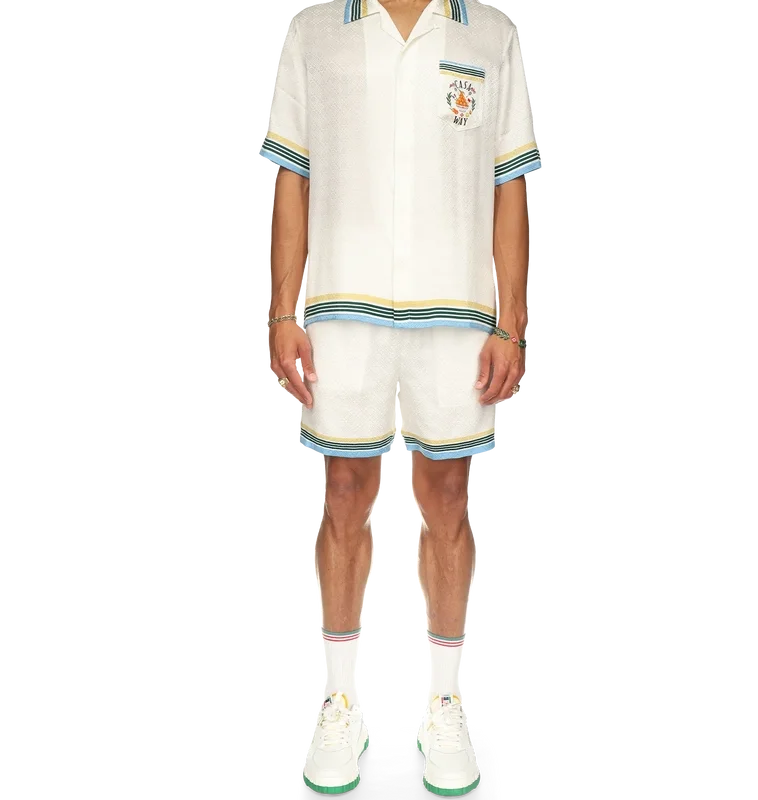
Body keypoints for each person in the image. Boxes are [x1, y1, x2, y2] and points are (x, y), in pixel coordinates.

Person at [263, 0, 540, 794]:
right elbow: (291, 175)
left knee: (447, 495)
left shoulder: (492, 28)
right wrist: (283, 311)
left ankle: (445, 703)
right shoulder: (315, 24)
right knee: (344, 490)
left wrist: (511, 320)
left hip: (458, 310)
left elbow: (509, 183)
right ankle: (339, 701)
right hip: (340, 305)